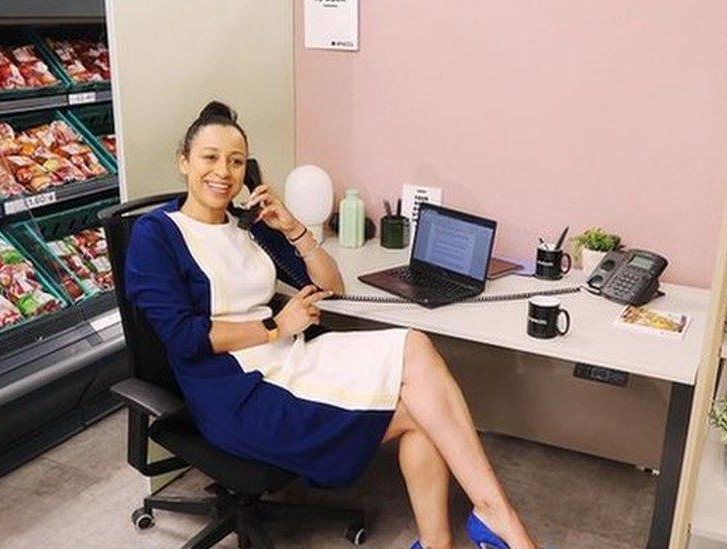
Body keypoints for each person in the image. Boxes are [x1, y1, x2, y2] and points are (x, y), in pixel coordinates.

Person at [124, 101, 537, 549]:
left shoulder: (247, 226)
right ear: (184, 162)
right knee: (424, 413)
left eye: (236, 160)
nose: (223, 171)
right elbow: (184, 339)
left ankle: (476, 525)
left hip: (289, 354)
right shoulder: (157, 235)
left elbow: (330, 286)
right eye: (209, 157)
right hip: (233, 390)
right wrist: (275, 328)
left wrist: (293, 227)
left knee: (415, 346)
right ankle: (494, 525)